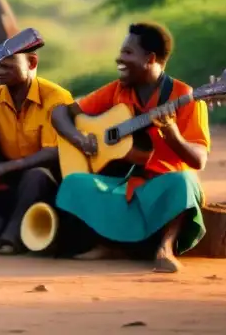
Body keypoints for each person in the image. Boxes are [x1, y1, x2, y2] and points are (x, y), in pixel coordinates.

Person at [51, 22, 209, 273]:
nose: (119, 58)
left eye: (127, 52)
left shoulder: (185, 97)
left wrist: (173, 136)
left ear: (150, 58)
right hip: (123, 182)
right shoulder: (117, 91)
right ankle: (109, 245)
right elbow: (61, 112)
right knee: (75, 183)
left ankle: (165, 248)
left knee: (186, 181)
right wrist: (79, 139)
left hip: (163, 185)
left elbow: (199, 160)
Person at [0, 42, 72, 254]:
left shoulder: (56, 97)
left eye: (7, 66)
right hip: (6, 175)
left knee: (35, 176)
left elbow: (52, 153)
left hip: (46, 178)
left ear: (32, 62)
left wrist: (5, 168)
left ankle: (11, 237)